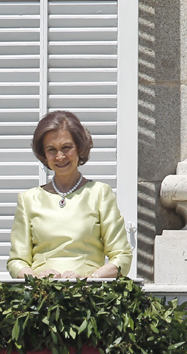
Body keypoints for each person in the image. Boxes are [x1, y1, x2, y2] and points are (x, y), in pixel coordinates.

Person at [7, 110, 132, 279]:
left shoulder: (100, 193)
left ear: (80, 148)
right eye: (52, 150)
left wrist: (89, 279)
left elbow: (122, 257)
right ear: (43, 154)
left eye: (66, 147)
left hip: (88, 296)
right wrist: (35, 277)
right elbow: (16, 261)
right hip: (40, 297)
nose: (60, 156)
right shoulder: (28, 199)